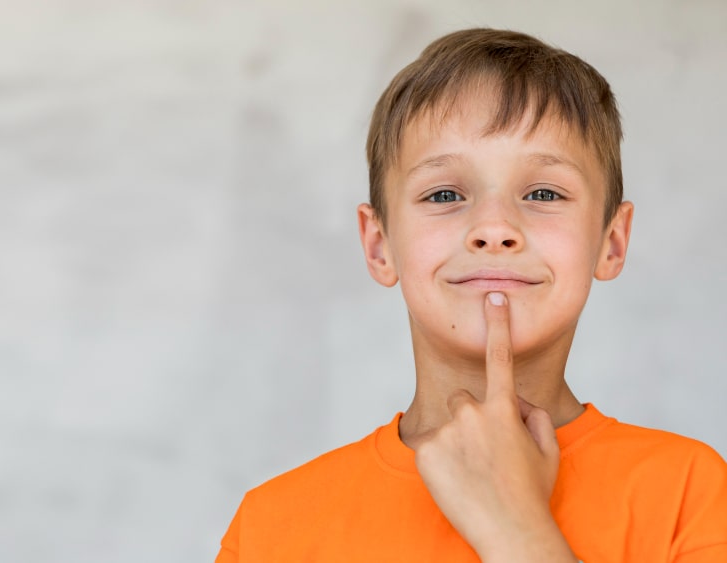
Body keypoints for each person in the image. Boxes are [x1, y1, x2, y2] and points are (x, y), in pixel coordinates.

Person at [215, 28, 727, 562]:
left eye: (544, 193)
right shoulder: (270, 527)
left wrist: (519, 532)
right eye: (443, 194)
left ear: (611, 242)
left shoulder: (690, 492)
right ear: (378, 245)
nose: (494, 227)